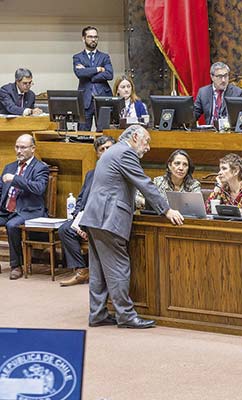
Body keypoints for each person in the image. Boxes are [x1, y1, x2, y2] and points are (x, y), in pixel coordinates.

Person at [80, 125, 184, 329]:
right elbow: (145, 184)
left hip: (95, 217)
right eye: (147, 142)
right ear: (135, 137)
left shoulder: (112, 152)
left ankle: (98, 313)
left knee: (99, 270)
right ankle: (126, 316)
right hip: (109, 218)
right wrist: (166, 210)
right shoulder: (125, 153)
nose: (148, 148)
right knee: (119, 268)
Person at [58, 135, 116, 287]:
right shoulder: (91, 174)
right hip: (85, 218)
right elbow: (81, 199)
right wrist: (78, 221)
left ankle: (99, 272)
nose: (105, 152)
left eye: (108, 148)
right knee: (65, 229)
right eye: (101, 149)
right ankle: (81, 270)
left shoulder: (118, 173)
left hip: (104, 219)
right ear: (97, 154)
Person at [0, 134, 49, 280]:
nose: (19, 151)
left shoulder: (40, 168)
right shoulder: (9, 166)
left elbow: (39, 188)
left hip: (29, 210)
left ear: (33, 149)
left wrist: (15, 179)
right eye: (17, 147)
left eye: (23, 147)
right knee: (10, 221)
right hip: (7, 209)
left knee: (12, 225)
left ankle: (16, 266)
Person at [73, 26, 114, 131]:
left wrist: (90, 75)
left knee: (104, 133)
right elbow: (80, 73)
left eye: (95, 37)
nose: (93, 39)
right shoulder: (78, 57)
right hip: (85, 99)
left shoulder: (104, 57)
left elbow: (109, 74)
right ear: (83, 39)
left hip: (102, 99)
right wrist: (98, 69)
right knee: (82, 134)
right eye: (90, 37)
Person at [135, 149, 202, 209]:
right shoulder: (158, 182)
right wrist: (150, 204)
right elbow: (136, 198)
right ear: (169, 165)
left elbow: (198, 208)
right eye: (177, 163)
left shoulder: (194, 185)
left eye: (185, 165)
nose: (181, 168)